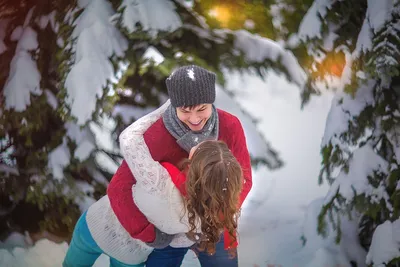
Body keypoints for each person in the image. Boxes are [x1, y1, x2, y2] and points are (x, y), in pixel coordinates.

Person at [62, 99, 245, 267]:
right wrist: (155, 237)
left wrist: (169, 107)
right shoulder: (199, 220)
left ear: (193, 163)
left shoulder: (158, 180)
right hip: (131, 255)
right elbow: (175, 240)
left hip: (95, 226)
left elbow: (130, 140)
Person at [107, 65, 253, 266]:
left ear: (212, 102)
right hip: (169, 233)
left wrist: (214, 218)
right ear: (174, 106)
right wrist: (148, 233)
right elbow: (119, 188)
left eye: (202, 109)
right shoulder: (156, 136)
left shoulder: (230, 126)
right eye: (185, 111)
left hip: (214, 227)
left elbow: (243, 179)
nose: (194, 119)